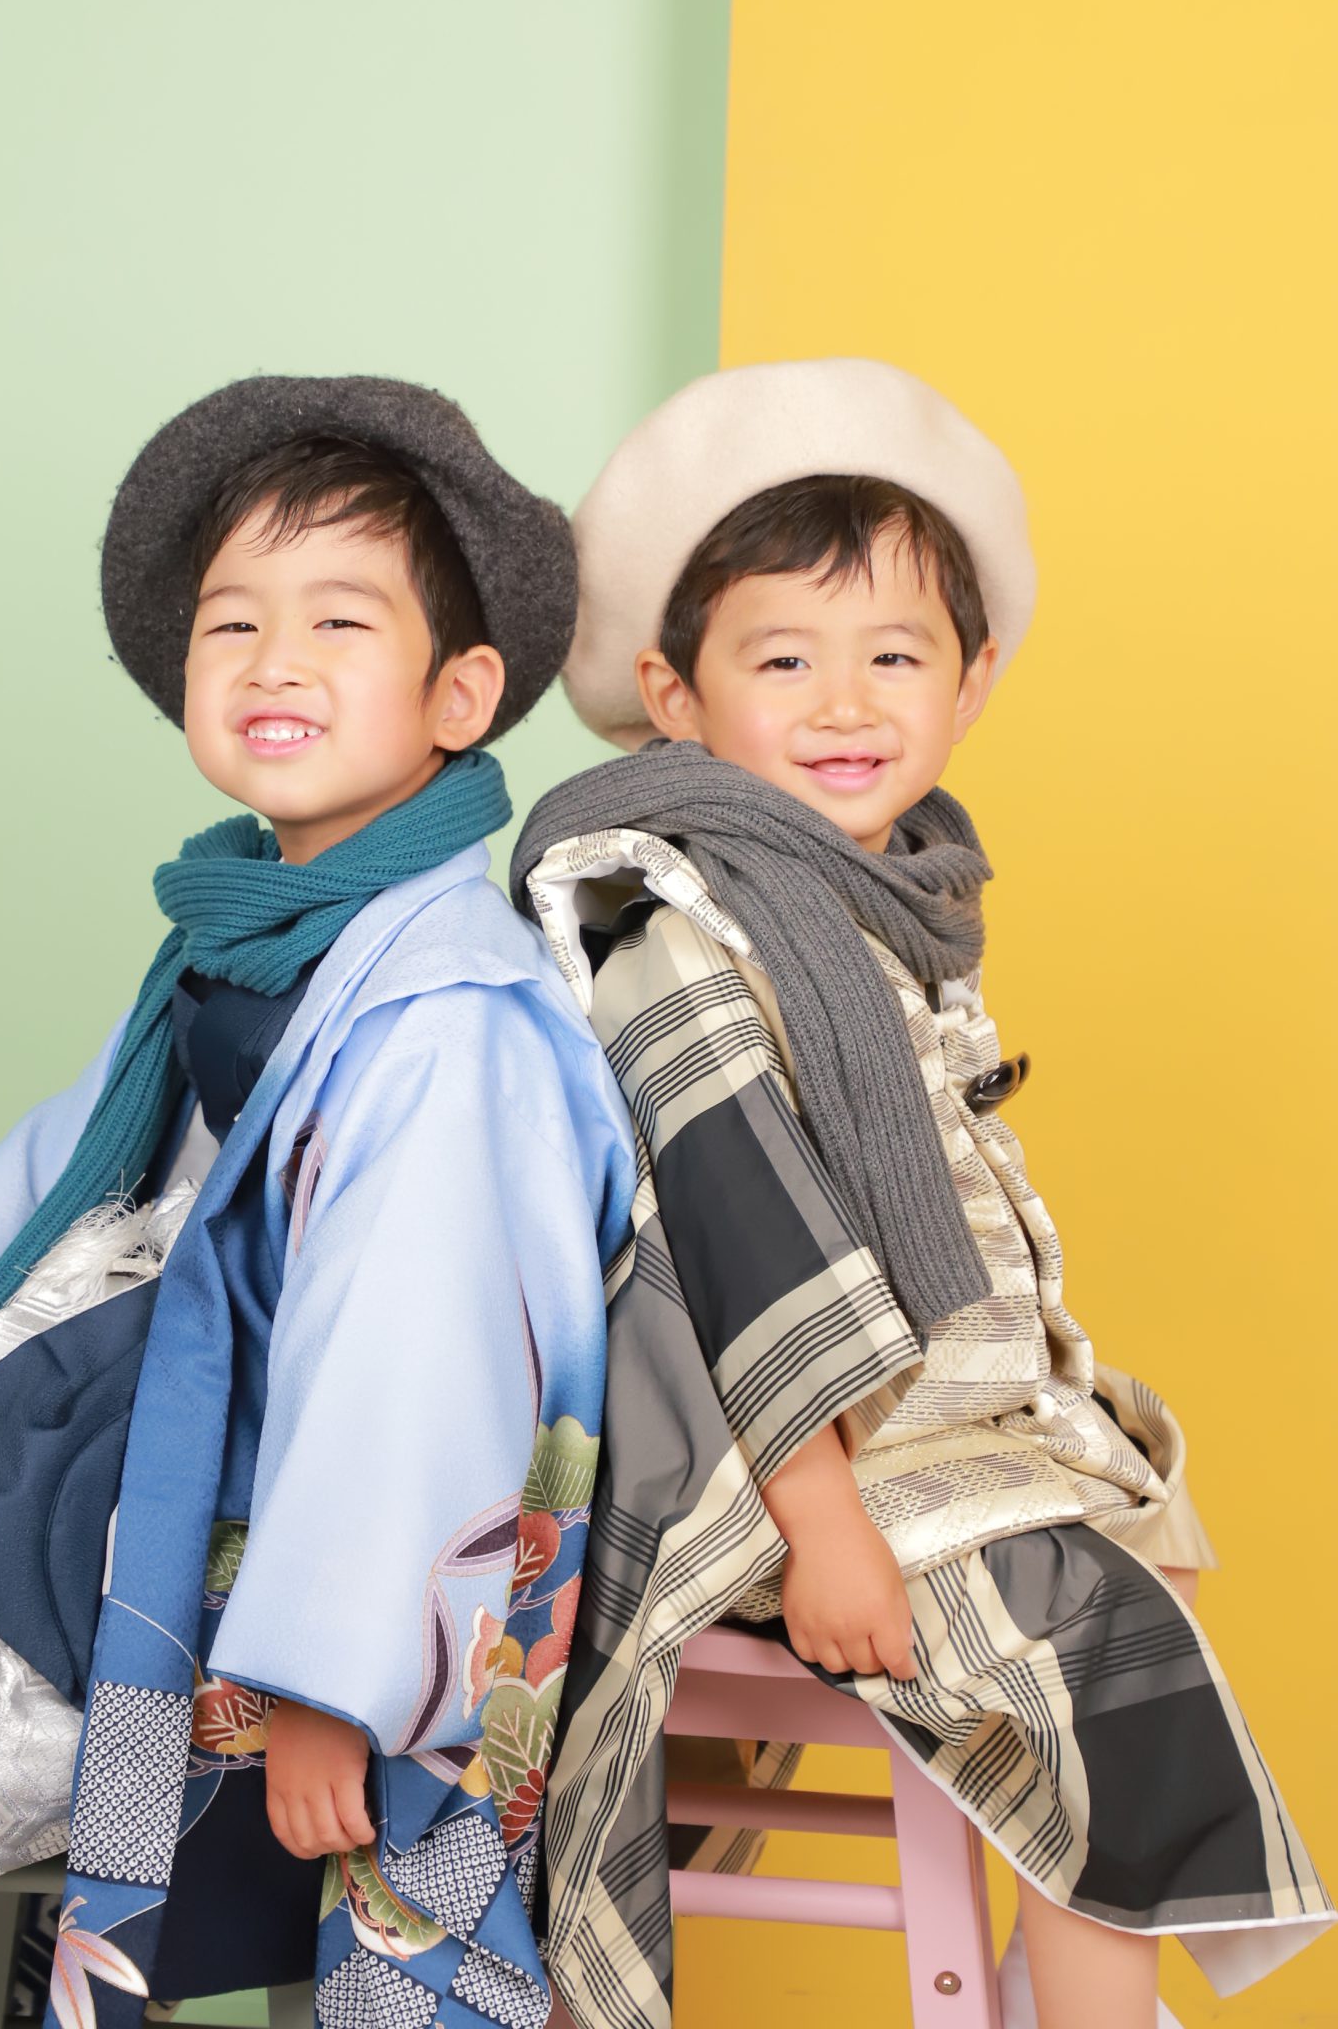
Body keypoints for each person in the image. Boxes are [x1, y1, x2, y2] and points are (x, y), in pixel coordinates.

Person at [0, 375, 635, 2029]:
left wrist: (333, 1681)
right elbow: (61, 1163)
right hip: (113, 1394)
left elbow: (414, 1359)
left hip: (253, 1500)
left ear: (461, 694)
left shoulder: (450, 1019)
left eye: (338, 621)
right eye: (232, 624)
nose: (273, 662)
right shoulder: (237, 933)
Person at [509, 358, 1332, 2029]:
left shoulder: (879, 904)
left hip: (916, 1432)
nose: (846, 704)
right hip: (761, 1462)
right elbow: (735, 1241)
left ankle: (1064, 1957)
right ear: (674, 696)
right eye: (783, 660)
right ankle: (1093, 1998)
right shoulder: (677, 925)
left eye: (895, 656)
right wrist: (823, 1528)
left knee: (1144, 1501)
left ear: (973, 681)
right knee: (1088, 1646)